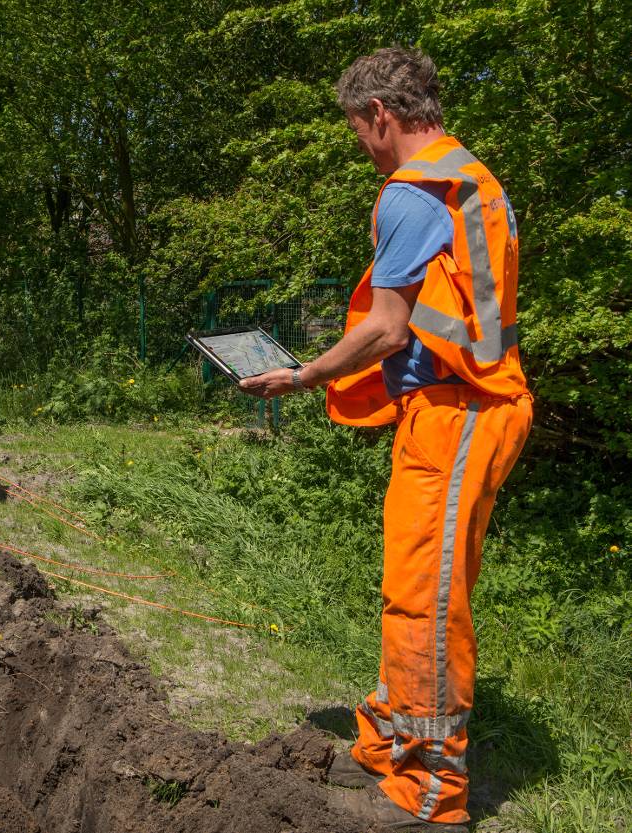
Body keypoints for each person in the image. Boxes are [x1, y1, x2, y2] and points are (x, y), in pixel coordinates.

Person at [239, 47, 532, 831]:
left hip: (458, 410)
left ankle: (430, 790)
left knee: (426, 601)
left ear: (381, 117)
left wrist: (303, 375)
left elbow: (385, 327)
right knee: (413, 587)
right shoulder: (469, 174)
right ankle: (387, 740)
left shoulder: (414, 192)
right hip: (464, 407)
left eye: (358, 131)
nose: (362, 147)